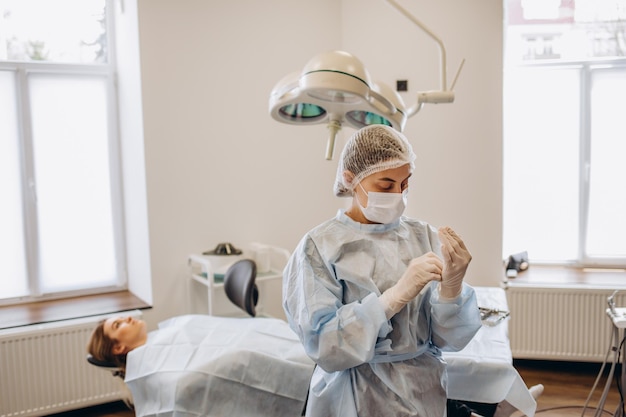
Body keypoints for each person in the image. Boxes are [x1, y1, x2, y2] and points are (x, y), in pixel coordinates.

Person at [282, 124, 483, 417]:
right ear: (351, 180)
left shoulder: (422, 236)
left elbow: (447, 340)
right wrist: (392, 299)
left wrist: (451, 289)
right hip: (352, 398)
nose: (398, 195)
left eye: (405, 184)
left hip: (424, 395)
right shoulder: (318, 247)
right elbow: (324, 346)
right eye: (386, 186)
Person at [87, 314, 316, 417]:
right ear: (118, 348)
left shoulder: (166, 331)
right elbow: (189, 383)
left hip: (256, 337)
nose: (127, 318)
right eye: (118, 325)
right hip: (249, 356)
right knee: (248, 354)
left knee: (272, 329)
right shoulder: (156, 370)